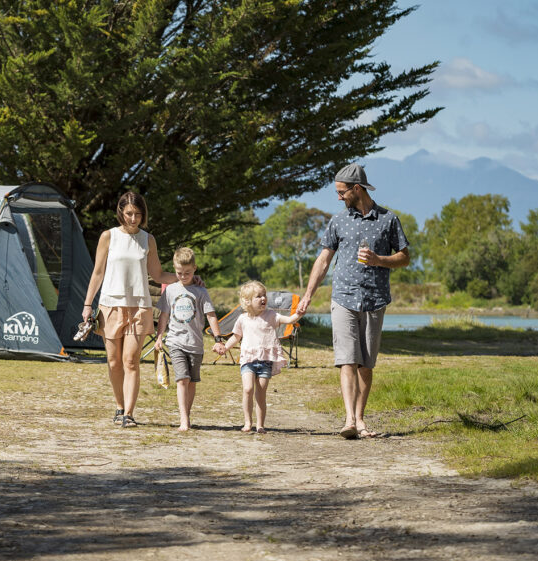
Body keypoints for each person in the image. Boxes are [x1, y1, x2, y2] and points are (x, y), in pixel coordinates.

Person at [296, 163, 410, 439]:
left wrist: (379, 260)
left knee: (366, 365)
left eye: (341, 192)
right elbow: (323, 260)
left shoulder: (388, 219)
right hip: (343, 298)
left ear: (356, 189)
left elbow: (405, 257)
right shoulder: (338, 221)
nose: (338, 197)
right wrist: (308, 295)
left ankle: (361, 420)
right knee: (347, 360)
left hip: (375, 299)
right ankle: (348, 420)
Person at [83, 191, 181, 428]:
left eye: (137, 214)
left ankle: (128, 413)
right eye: (129, 214)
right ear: (120, 212)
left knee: (131, 361)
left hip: (139, 306)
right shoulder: (108, 237)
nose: (133, 218)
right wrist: (88, 305)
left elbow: (157, 275)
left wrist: (186, 278)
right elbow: (98, 273)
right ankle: (118, 406)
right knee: (114, 361)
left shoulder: (148, 240)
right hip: (110, 305)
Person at [154, 248, 227, 431]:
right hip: (175, 342)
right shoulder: (170, 290)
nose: (183, 276)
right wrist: (159, 336)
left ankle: (187, 413)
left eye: (187, 273)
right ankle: (183, 419)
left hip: (196, 344)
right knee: (182, 379)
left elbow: (211, 315)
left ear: (195, 269)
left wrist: (218, 339)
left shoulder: (201, 291)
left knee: (192, 381)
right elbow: (164, 315)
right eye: (179, 273)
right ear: (174, 268)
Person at [222, 280, 303, 433]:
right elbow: (235, 337)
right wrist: (225, 348)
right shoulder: (242, 319)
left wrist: (298, 314)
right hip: (248, 359)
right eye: (258, 296)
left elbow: (289, 320)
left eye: (264, 295)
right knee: (247, 389)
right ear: (248, 301)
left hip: (265, 361)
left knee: (261, 392)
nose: (263, 299)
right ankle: (247, 422)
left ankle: (260, 425)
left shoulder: (271, 315)